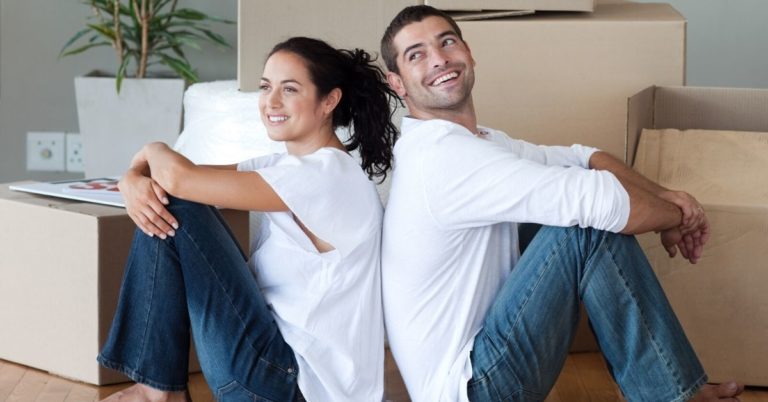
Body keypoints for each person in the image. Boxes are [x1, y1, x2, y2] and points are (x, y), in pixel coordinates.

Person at [379, 6, 744, 402]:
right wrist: (681, 215)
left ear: (468, 52)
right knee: (584, 226)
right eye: (416, 54)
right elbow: (600, 200)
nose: (439, 59)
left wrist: (665, 196)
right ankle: (672, 395)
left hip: (480, 365)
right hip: (473, 388)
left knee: (578, 207)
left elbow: (582, 156)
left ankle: (671, 389)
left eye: (446, 42)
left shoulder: (476, 141)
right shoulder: (443, 158)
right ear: (397, 83)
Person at [97, 36, 399, 402]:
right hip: (273, 370)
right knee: (172, 198)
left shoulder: (327, 176)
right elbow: (176, 175)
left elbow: (177, 180)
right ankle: (157, 389)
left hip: (289, 385)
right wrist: (132, 180)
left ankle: (155, 390)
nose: (271, 102)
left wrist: (153, 149)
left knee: (177, 202)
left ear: (329, 101)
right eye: (265, 87)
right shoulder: (288, 167)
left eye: (289, 89)